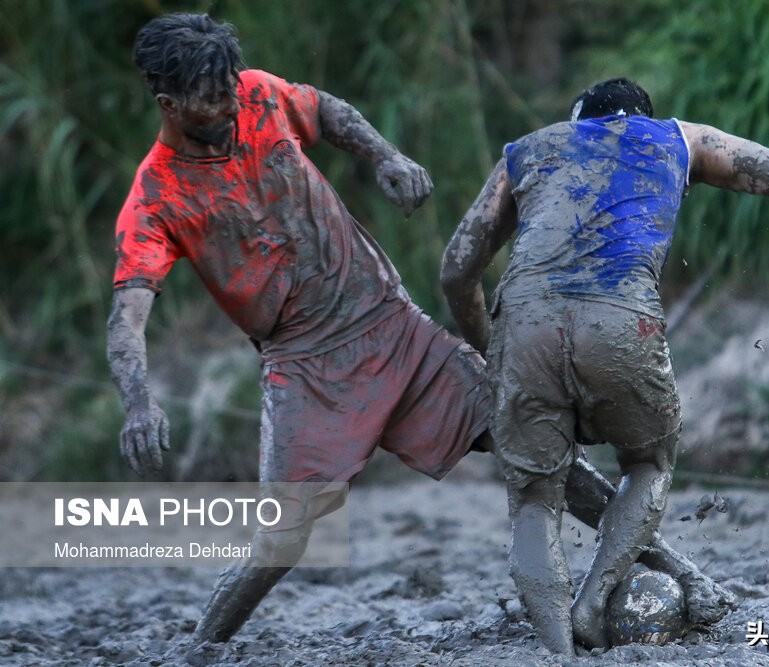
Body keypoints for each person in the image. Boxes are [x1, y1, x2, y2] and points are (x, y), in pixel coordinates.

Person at [106, 17, 734, 649]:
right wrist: (138, 402)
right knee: (285, 535)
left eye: (231, 88)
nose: (229, 105)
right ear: (169, 103)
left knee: (522, 438)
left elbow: (325, 110)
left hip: (392, 324)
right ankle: (200, 649)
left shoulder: (258, 94)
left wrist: (386, 155)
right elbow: (128, 314)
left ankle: (679, 570)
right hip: (304, 366)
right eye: (212, 98)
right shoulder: (157, 195)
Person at [440, 77, 769, 652]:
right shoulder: (679, 139)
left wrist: (491, 348)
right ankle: (592, 600)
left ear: (578, 118)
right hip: (620, 320)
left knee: (535, 502)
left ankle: (558, 652)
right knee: (650, 465)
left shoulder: (529, 149)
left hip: (526, 324)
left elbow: (457, 270)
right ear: (642, 115)